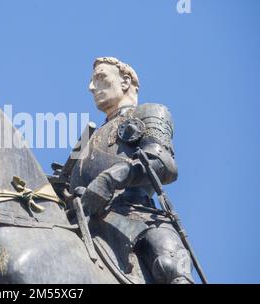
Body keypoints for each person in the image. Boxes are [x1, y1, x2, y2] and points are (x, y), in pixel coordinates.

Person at [69, 57, 194, 284]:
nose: (91, 87)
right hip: (84, 221)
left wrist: (109, 179)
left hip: (136, 215)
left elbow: (163, 164)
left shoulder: (150, 112)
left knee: (170, 266)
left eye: (100, 78)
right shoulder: (85, 140)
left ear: (125, 81)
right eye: (91, 81)